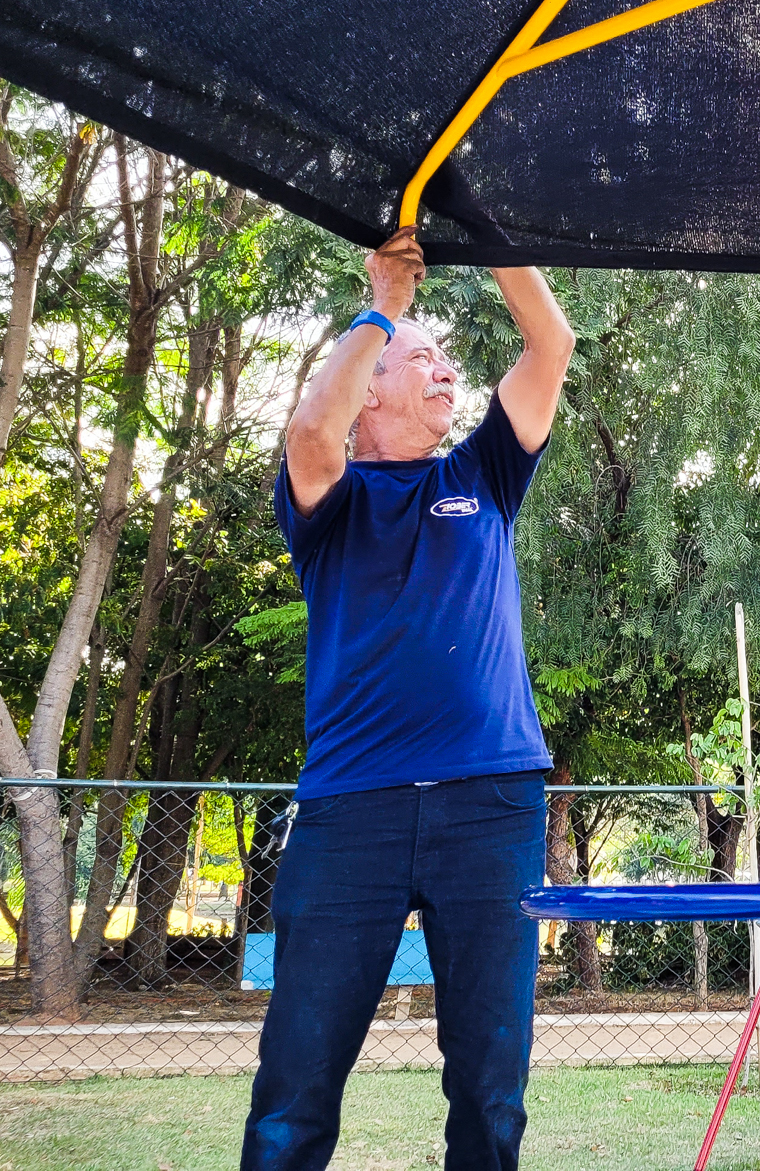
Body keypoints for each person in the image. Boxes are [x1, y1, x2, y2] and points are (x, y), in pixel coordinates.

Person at [242, 227, 575, 1171]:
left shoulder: (484, 476)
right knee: (294, 1090)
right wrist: (384, 304)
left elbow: (550, 341)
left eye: (445, 362)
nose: (445, 373)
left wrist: (492, 231)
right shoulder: (330, 503)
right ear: (368, 389)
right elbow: (311, 430)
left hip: (492, 806)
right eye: (421, 359)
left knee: (489, 1091)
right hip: (353, 812)